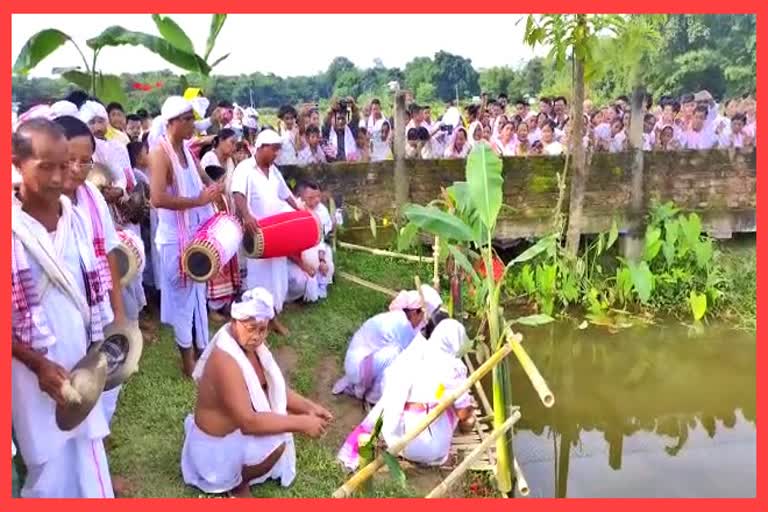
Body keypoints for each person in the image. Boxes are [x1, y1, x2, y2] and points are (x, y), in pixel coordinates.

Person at [11, 119, 114, 497]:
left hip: (81, 359)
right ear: (15, 162)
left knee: (88, 450)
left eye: (66, 164)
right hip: (29, 370)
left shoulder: (76, 218)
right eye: (47, 166)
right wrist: (37, 364)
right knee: (48, 466)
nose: (60, 176)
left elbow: (93, 294)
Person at [181, 288, 332, 497]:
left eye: (263, 330)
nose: (257, 337)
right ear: (235, 320)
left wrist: (310, 408)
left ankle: (241, 473)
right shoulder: (225, 359)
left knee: (279, 426)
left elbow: (272, 388)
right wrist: (302, 423)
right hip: (213, 453)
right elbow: (248, 422)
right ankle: (238, 487)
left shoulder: (249, 345)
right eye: (252, 328)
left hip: (233, 434)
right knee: (278, 440)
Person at [338, 319, 474, 470]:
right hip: (429, 449)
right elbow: (463, 414)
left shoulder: (414, 352)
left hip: (398, 440)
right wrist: (467, 415)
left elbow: (389, 384)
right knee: (452, 403)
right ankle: (435, 444)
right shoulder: (453, 368)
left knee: (431, 395)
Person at [149, 96, 221, 378]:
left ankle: (202, 347)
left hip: (196, 235)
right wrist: (198, 200)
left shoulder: (189, 152)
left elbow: (204, 179)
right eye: (188, 120)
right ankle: (187, 361)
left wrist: (216, 188)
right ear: (172, 123)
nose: (193, 124)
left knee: (197, 295)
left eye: (193, 119)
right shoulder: (160, 153)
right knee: (181, 299)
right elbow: (156, 198)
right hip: (173, 240)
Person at [231, 129, 303, 336]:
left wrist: (300, 211)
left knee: (278, 275)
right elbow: (238, 193)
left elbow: (285, 194)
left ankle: (273, 316)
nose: (276, 154)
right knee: (259, 277)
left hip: (276, 232)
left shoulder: (274, 171)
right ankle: (257, 319)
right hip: (257, 235)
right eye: (273, 149)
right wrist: (246, 215)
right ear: (261, 148)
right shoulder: (245, 168)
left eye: (278, 150)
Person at [332, 286, 442, 404]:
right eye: (424, 317)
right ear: (416, 312)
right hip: (359, 366)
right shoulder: (402, 324)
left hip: (361, 361)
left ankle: (363, 385)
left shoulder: (402, 318)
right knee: (398, 358)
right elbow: (412, 354)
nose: (424, 322)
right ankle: (372, 396)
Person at [286, 181, 335, 303]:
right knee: (298, 282)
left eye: (318, 196)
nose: (316, 201)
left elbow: (321, 239)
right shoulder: (289, 211)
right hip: (293, 257)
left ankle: (318, 288)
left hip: (316, 250)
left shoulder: (321, 210)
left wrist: (322, 260)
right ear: (299, 198)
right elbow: (288, 248)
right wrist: (304, 266)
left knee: (328, 266)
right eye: (311, 198)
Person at [200, 128, 237, 205]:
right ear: (221, 140)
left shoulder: (229, 161)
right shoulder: (209, 158)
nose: (234, 148)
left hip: (227, 206)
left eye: (235, 144)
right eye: (232, 142)